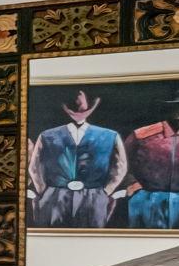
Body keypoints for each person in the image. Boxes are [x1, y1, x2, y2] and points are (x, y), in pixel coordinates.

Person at [28, 89, 127, 228]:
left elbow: (120, 166)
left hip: (94, 197)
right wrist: (43, 190)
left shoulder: (110, 135)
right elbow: (34, 166)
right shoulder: (47, 135)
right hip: (55, 197)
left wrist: (106, 191)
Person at [127, 93, 179, 230]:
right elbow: (121, 164)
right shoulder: (142, 134)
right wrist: (133, 185)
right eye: (175, 106)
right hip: (148, 200)